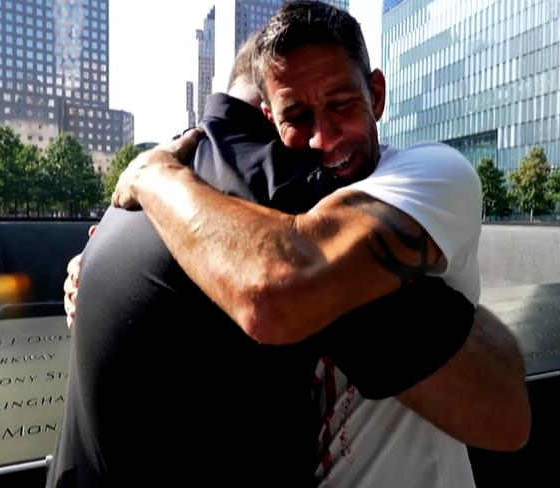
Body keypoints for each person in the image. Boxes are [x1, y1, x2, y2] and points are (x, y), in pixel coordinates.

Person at [108, 2, 529, 487]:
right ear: (269, 117)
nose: (323, 138)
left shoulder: (432, 173)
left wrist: (156, 176)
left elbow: (279, 288)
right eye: (298, 116)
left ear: (376, 93)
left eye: (340, 104)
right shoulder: (281, 201)